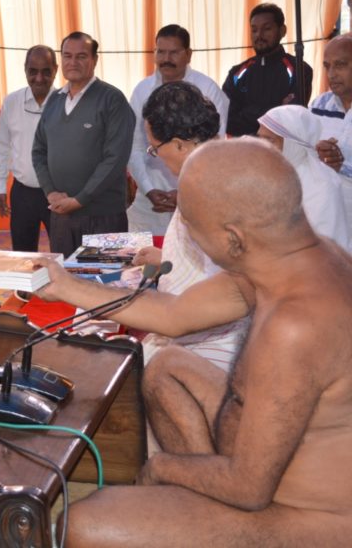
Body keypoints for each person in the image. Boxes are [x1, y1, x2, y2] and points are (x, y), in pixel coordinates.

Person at [38, 139, 352, 546]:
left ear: (233, 238)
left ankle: (194, 513)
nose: (184, 229)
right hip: (259, 468)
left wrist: (162, 468)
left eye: (189, 221)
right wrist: (66, 286)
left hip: (309, 516)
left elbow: (249, 488)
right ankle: (194, 510)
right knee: (168, 367)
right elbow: (174, 314)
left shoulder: (296, 325)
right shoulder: (299, 259)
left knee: (82, 523)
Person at [137, 82, 349, 371]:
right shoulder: (211, 171)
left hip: (225, 331)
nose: (156, 155)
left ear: (178, 144)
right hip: (204, 313)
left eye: (154, 148)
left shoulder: (229, 182)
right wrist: (167, 259)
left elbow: (234, 277)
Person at [31, 31, 134, 257]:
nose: (73, 62)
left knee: (104, 277)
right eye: (67, 56)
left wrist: (80, 199)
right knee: (65, 277)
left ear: (94, 60)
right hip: (61, 216)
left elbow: (115, 159)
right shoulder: (55, 99)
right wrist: (51, 193)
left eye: (81, 56)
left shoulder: (112, 99)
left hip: (103, 217)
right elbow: (38, 151)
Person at [127, 25, 228, 235]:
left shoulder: (207, 89)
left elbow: (214, 148)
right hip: (150, 195)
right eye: (161, 52)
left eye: (174, 52)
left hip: (197, 192)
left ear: (188, 54)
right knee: (141, 252)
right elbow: (134, 146)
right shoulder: (142, 90)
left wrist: (184, 193)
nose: (166, 59)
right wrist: (147, 189)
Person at [257, 105, 350, 250]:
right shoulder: (260, 175)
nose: (262, 146)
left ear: (292, 144)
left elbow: (326, 251)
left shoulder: (321, 187)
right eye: (260, 138)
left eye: (270, 140)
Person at [0, 45, 56, 251]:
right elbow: (2, 146)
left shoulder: (65, 102)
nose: (39, 78)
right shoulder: (12, 102)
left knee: (64, 252)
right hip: (22, 193)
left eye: (46, 71)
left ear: (56, 70)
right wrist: (0, 187)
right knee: (23, 255)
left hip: (58, 193)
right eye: (33, 71)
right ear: (25, 70)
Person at [222, 3, 313, 137]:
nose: (259, 35)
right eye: (254, 30)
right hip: (242, 147)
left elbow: (291, 118)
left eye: (267, 29)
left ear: (282, 31)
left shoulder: (299, 69)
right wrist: (276, 108)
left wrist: (247, 113)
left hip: (282, 147)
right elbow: (227, 119)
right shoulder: (237, 73)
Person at [309, 33, 352, 164]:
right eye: (327, 66)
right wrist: (318, 154)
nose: (331, 74)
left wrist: (339, 165)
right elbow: (303, 151)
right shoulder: (319, 105)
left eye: (340, 65)